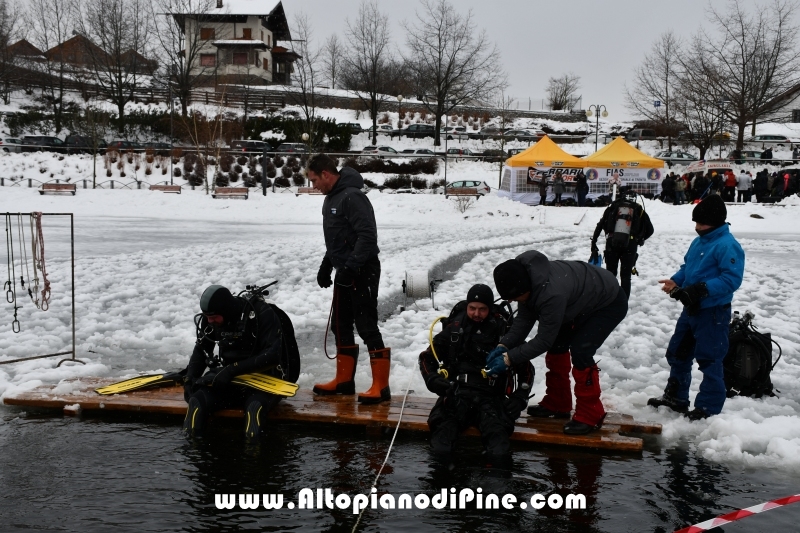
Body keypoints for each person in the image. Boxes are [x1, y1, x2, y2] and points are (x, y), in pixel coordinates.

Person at [485, 250, 628, 435]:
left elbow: (543, 340)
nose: (512, 301)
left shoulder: (551, 294)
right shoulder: (526, 278)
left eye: (514, 297)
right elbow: (524, 319)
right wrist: (503, 346)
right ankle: (558, 403)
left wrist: (508, 359)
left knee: (581, 352)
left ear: (526, 289)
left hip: (608, 302)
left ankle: (591, 413)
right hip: (578, 299)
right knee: (557, 346)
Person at [649, 195, 744, 420]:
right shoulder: (700, 241)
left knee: (709, 359)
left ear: (716, 221)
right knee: (678, 353)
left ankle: (708, 409)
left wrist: (700, 289)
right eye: (695, 222)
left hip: (713, 313)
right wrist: (677, 281)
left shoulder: (727, 245)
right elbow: (687, 267)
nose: (697, 227)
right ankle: (676, 398)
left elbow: (732, 279)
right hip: (690, 310)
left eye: (701, 223)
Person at [306, 153, 391, 404]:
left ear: (326, 175)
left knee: (366, 325)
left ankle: (381, 387)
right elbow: (337, 239)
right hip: (344, 270)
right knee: (340, 325)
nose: (313, 186)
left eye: (314, 180)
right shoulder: (331, 199)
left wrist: (351, 268)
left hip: (362, 270)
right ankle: (344, 382)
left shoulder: (353, 197)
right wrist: (326, 266)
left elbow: (367, 238)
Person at [418, 284, 534, 466]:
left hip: (491, 398)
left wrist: (520, 397)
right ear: (467, 307)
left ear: (490, 308)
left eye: (482, 309)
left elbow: (526, 369)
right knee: (440, 445)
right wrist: (432, 380)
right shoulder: (455, 328)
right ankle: (442, 487)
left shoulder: (504, 331)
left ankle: (497, 490)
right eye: (472, 308)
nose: (476, 314)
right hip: (457, 395)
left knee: (498, 448)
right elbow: (426, 358)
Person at [183, 285, 301, 439]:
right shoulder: (211, 319)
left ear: (226, 310)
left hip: (264, 381)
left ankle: (253, 458)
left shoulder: (261, 314)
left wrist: (231, 370)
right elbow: (201, 350)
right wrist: (189, 379)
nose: (209, 321)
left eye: (213, 317)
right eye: (207, 317)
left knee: (254, 409)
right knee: (196, 402)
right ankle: (193, 456)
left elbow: (272, 356)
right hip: (231, 381)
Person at [591, 190, 654, 297]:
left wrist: (594, 242)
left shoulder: (613, 207)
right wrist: (639, 239)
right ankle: (623, 302)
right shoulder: (638, 209)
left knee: (610, 274)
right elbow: (650, 230)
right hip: (630, 245)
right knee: (625, 276)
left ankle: (610, 300)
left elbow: (600, 225)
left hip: (612, 243)